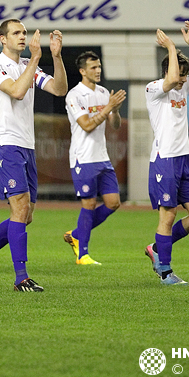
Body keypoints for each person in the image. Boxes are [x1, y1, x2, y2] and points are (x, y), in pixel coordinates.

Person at [0, 20, 67, 292]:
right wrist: (34, 58)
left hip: (26, 145)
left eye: (24, 32)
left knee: (26, 214)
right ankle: (21, 278)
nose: (23, 37)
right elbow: (17, 91)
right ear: (2, 39)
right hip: (5, 142)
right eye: (16, 33)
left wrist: (56, 57)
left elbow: (59, 89)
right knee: (19, 208)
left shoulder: (27, 66)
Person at [144, 21, 189, 285]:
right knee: (168, 215)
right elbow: (172, 78)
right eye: (181, 74)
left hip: (184, 161)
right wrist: (171, 46)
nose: (184, 79)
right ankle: (165, 271)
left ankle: (155, 249)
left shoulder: (183, 86)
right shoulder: (154, 89)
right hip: (165, 161)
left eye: (186, 75)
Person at [62, 51, 126, 265]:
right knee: (88, 203)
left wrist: (115, 111)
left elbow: (114, 125)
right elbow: (87, 125)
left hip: (102, 156)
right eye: (93, 68)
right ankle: (83, 255)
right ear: (82, 71)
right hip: (83, 157)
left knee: (113, 203)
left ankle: (77, 234)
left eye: (99, 67)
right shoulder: (75, 95)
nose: (98, 71)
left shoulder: (103, 92)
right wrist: (108, 107)